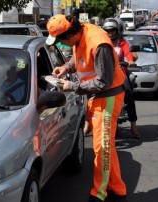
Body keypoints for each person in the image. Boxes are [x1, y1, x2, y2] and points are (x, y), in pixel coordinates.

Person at [46, 14, 127, 202]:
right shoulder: (80, 35)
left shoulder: (99, 44)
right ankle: (117, 189)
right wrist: (66, 67)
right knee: (107, 147)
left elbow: (103, 82)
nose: (61, 44)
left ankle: (100, 194)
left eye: (60, 40)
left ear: (69, 34)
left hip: (107, 97)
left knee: (102, 149)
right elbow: (79, 57)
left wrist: (72, 87)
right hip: (97, 98)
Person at [102, 17, 140, 139]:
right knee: (91, 95)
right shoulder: (101, 42)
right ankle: (87, 123)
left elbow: (128, 54)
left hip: (121, 74)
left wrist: (130, 61)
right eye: (107, 30)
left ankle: (133, 126)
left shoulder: (122, 42)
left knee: (129, 95)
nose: (110, 33)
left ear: (117, 30)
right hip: (104, 74)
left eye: (112, 30)